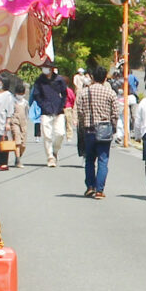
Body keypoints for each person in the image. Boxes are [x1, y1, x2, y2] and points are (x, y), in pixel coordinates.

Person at [73, 64, 122, 198]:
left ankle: (90, 186)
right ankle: (100, 190)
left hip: (89, 130)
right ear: (105, 78)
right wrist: (113, 127)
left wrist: (83, 124)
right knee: (103, 160)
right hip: (105, 130)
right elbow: (115, 113)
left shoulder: (84, 92)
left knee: (89, 160)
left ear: (93, 77)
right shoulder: (110, 92)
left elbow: (80, 111)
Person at [32, 65, 70, 168]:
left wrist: (62, 105)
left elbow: (64, 94)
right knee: (47, 135)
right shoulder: (39, 81)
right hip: (45, 111)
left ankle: (55, 151)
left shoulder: (59, 80)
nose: (45, 69)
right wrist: (43, 105)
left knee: (60, 134)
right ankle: (50, 157)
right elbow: (36, 95)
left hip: (58, 110)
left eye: (47, 67)